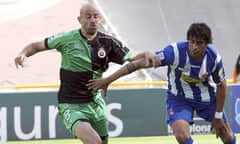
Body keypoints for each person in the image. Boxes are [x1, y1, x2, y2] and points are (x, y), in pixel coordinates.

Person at [87, 23, 237, 144]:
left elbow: (222, 85)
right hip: (179, 98)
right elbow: (138, 64)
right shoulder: (175, 52)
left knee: (228, 137)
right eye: (192, 42)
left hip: (206, 98)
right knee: (181, 136)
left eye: (199, 43)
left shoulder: (213, 57)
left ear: (207, 44)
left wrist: (218, 116)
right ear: (188, 41)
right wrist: (108, 80)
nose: (194, 47)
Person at [14, 3, 137, 144]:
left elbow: (135, 59)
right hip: (71, 104)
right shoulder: (66, 39)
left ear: (100, 19)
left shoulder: (108, 42)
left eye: (96, 16)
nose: (92, 20)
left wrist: (151, 57)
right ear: (79, 19)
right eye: (88, 16)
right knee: (94, 142)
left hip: (96, 104)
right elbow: (35, 46)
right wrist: (22, 54)